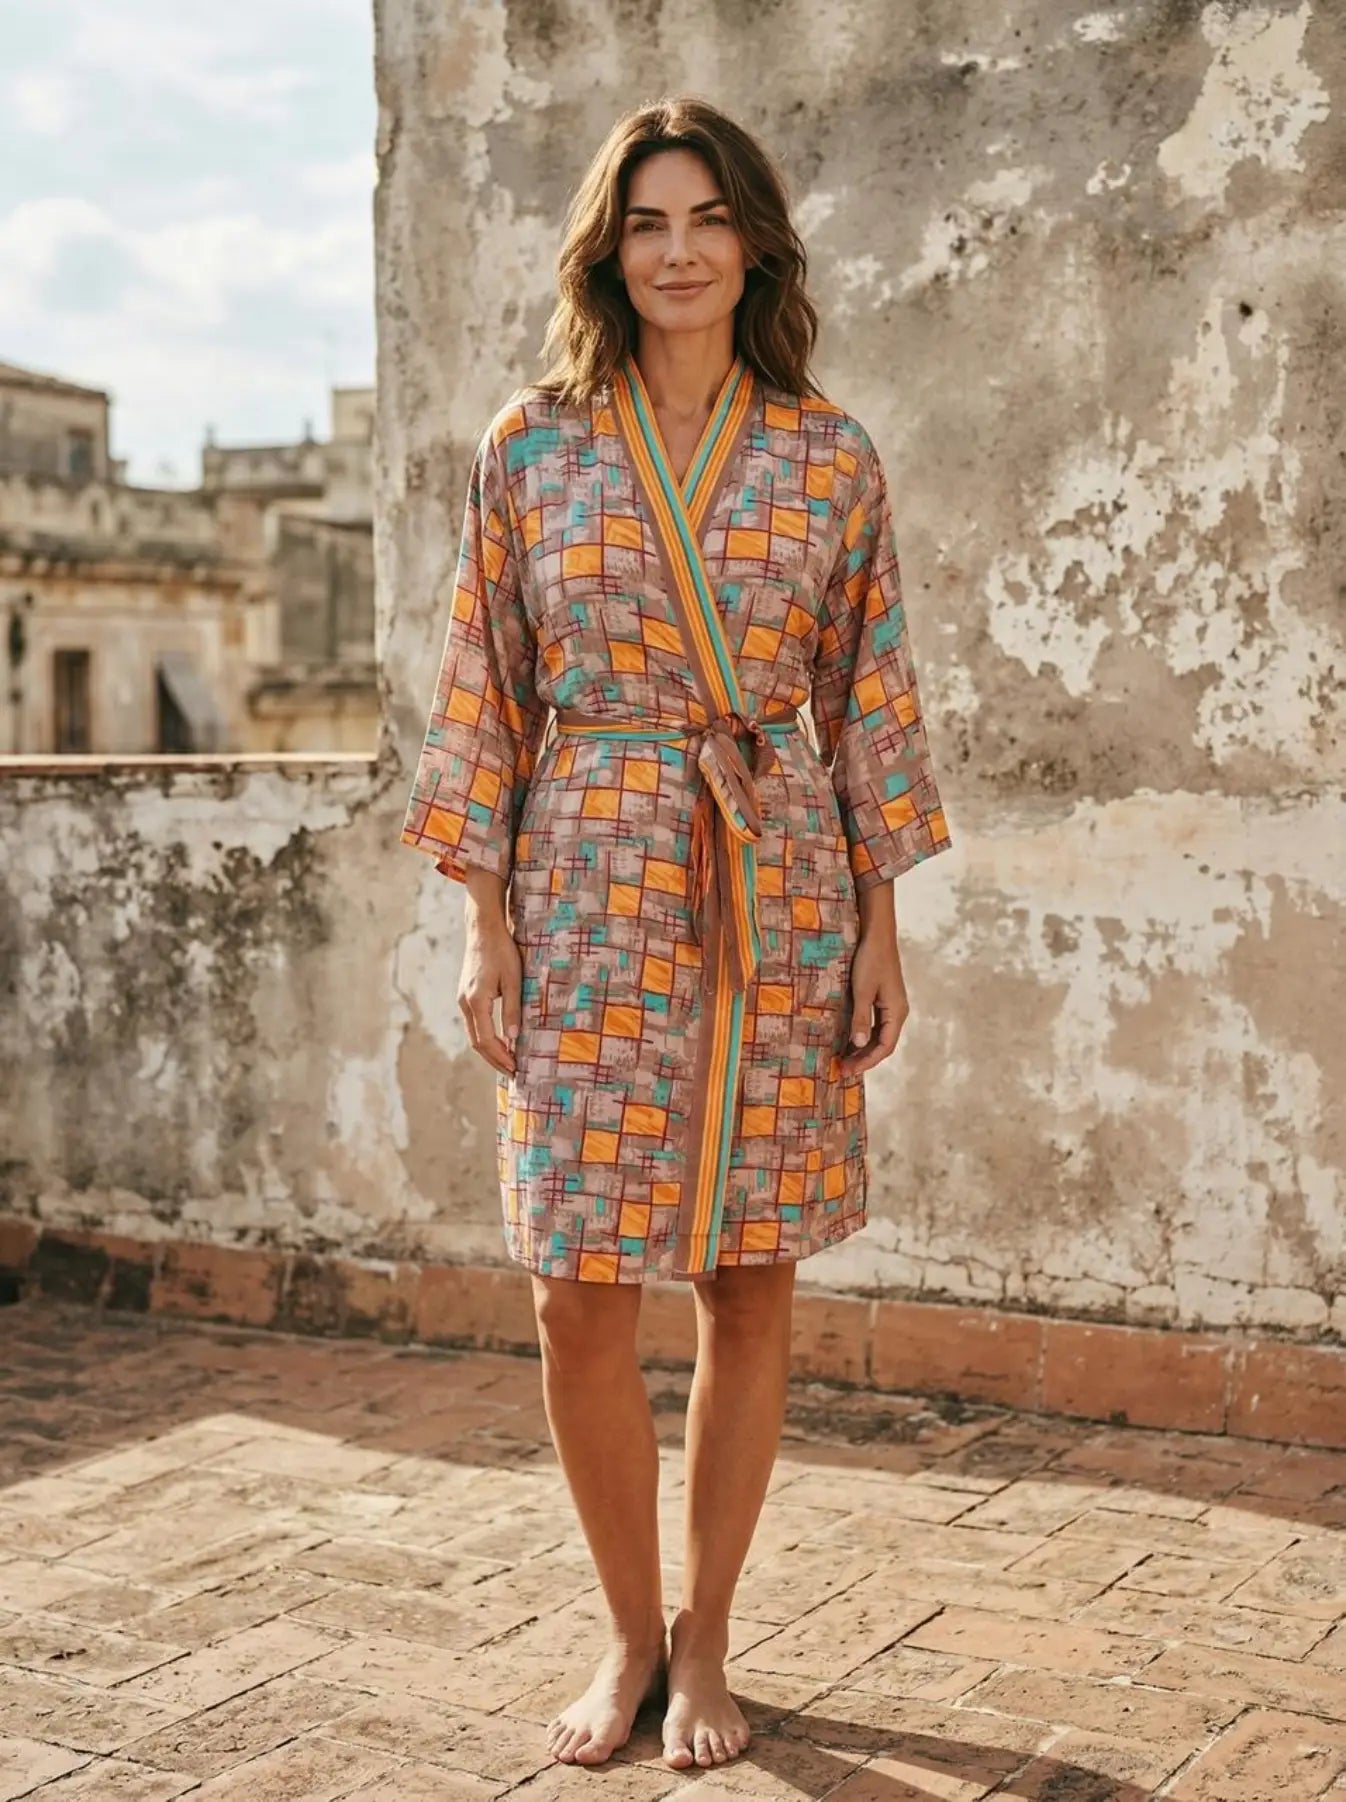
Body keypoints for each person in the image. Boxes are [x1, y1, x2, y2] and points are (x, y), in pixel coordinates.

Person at [401, 95, 953, 1773]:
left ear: (754, 244)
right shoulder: (532, 446)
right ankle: (628, 1629)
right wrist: (484, 924)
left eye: (707, 218)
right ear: (608, 250)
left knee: (745, 1267)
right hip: (583, 874)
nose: (679, 250)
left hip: (773, 879)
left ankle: (709, 1637)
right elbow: (487, 689)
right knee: (573, 1283)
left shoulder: (827, 454)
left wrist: (876, 923)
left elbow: (867, 700)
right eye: (646, 222)